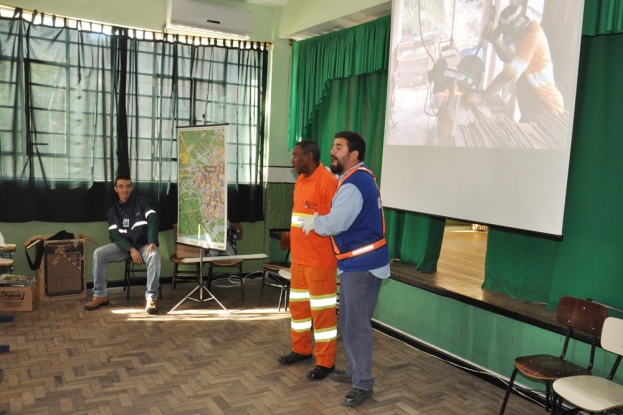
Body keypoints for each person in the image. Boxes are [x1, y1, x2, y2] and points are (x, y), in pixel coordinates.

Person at [298, 131, 390, 407]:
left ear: (354, 155)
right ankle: (353, 371)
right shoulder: (357, 178)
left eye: (338, 148)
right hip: (358, 264)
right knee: (349, 321)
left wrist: (315, 222)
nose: (332, 152)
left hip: (363, 266)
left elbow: (335, 223)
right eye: (333, 146)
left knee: (356, 326)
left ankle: (362, 384)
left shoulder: (353, 185)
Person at [278, 139, 339, 381]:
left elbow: (336, 221)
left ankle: (326, 363)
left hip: (320, 262)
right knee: (299, 309)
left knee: (322, 313)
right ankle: (301, 350)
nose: (292, 160)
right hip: (299, 261)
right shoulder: (300, 181)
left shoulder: (329, 182)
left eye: (296, 156)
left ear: (309, 157)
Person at [471, 4, 564, 121]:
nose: (510, 38)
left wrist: (481, 97)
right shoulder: (525, 30)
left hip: (547, 108)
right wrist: (493, 39)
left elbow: (506, 77)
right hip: (533, 107)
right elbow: (509, 58)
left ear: (514, 27)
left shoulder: (532, 39)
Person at [84, 174, 161, 314]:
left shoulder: (143, 202)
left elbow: (153, 219)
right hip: (125, 247)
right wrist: (130, 249)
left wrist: (152, 241)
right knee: (99, 253)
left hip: (144, 245)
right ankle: (100, 295)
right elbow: (114, 235)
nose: (125, 189)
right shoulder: (112, 211)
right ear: (115, 189)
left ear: (131, 188)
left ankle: (151, 298)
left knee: (155, 255)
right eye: (121, 186)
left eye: (127, 186)